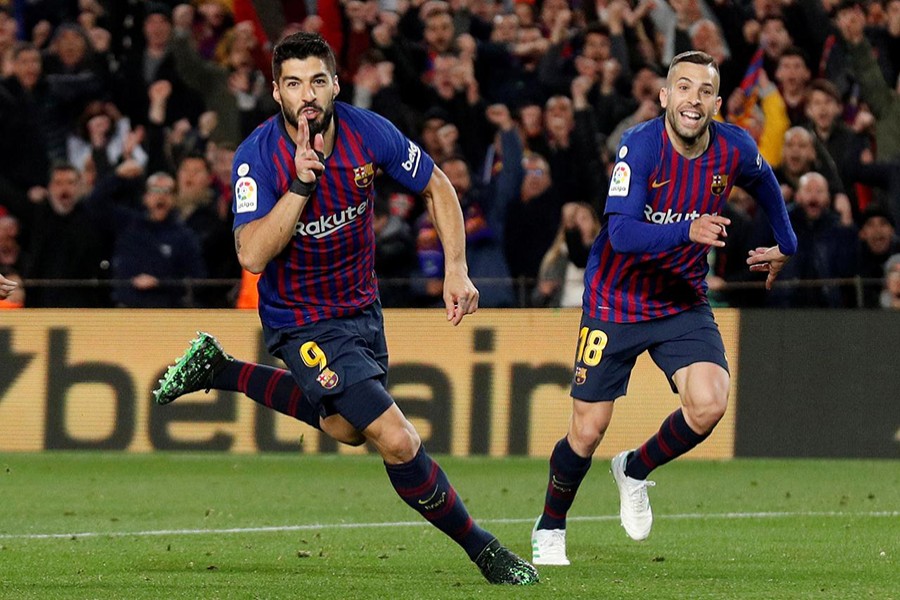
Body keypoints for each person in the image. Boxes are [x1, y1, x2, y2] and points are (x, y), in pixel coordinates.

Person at [151, 32, 538, 586]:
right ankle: (487, 552)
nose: (306, 95)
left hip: (361, 310)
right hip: (299, 319)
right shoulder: (257, 156)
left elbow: (438, 185)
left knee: (346, 428)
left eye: (316, 81)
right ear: (276, 92)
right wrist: (301, 186)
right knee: (397, 438)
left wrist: (456, 269)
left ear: (334, 84)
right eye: (292, 84)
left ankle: (223, 369)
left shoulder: (367, 132)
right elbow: (252, 254)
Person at [530, 51, 798, 566]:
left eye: (703, 91)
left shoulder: (734, 147)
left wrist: (786, 243)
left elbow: (766, 183)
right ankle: (551, 524)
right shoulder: (640, 146)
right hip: (615, 299)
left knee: (710, 402)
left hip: (680, 298)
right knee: (587, 430)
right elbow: (624, 233)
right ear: (664, 96)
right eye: (683, 87)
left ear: (716, 104)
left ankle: (634, 469)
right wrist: (688, 229)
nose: (692, 99)